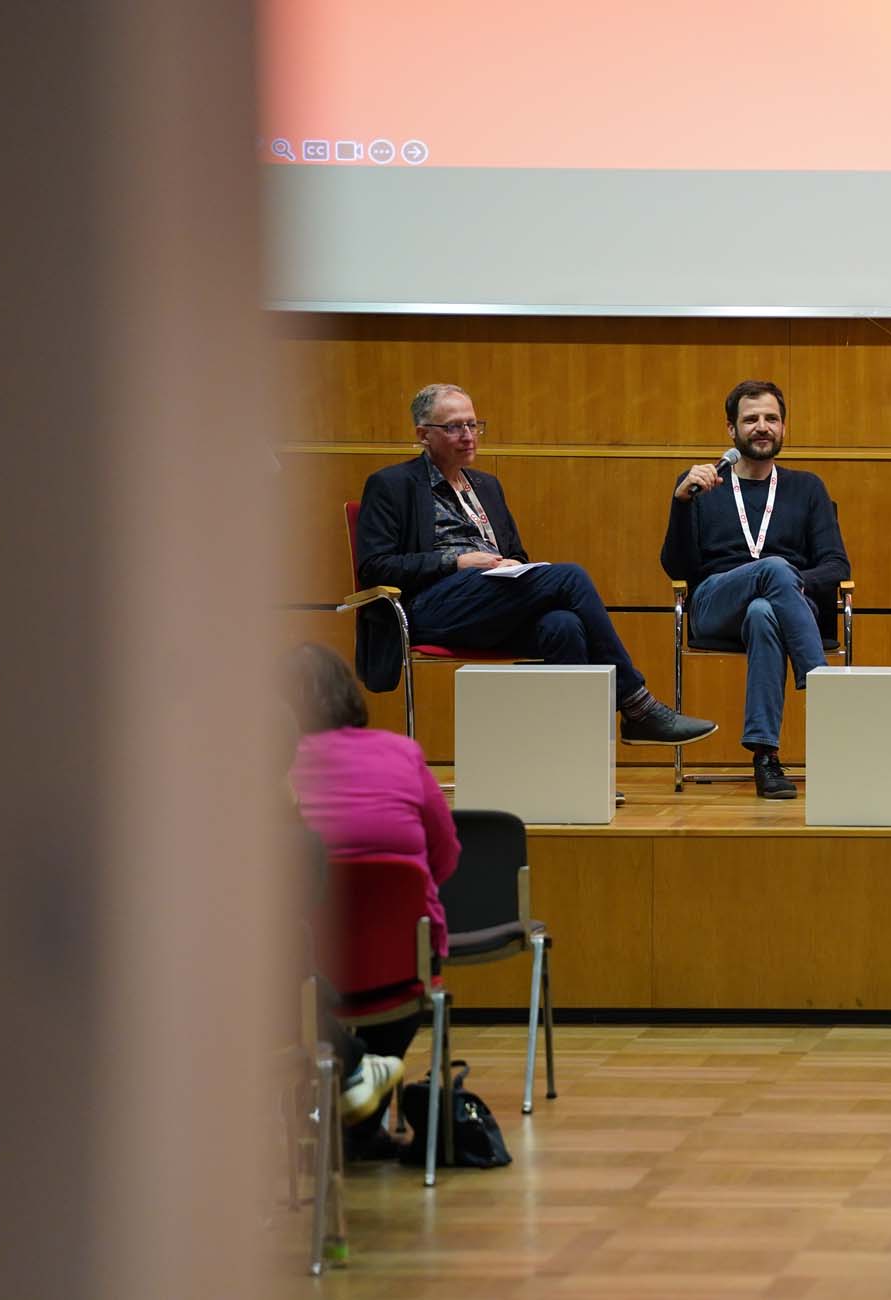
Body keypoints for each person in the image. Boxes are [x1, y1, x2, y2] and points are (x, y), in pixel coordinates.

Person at [354, 382, 714, 746]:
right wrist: (456, 561)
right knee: (570, 577)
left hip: (489, 603)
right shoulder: (392, 484)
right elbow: (375, 566)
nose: (468, 436)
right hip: (431, 608)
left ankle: (579, 771)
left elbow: (517, 554)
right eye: (454, 427)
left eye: (473, 425)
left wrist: (511, 563)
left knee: (565, 625)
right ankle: (637, 706)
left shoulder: (485, 486)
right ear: (423, 435)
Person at [285, 642, 459, 1157]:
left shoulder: (267, 773)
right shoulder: (402, 754)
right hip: (399, 969)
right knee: (407, 982)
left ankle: (345, 1100)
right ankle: (360, 1113)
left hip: (303, 976)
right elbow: (444, 856)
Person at [661, 380, 851, 798]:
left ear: (784, 427)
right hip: (715, 603)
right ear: (731, 430)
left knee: (765, 611)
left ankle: (765, 757)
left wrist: (787, 581)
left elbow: (837, 565)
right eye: (751, 419)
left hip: (782, 606)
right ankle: (820, 682)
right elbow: (676, 568)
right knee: (774, 571)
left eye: (771, 418)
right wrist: (681, 502)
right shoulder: (703, 484)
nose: (762, 427)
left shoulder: (807, 487)